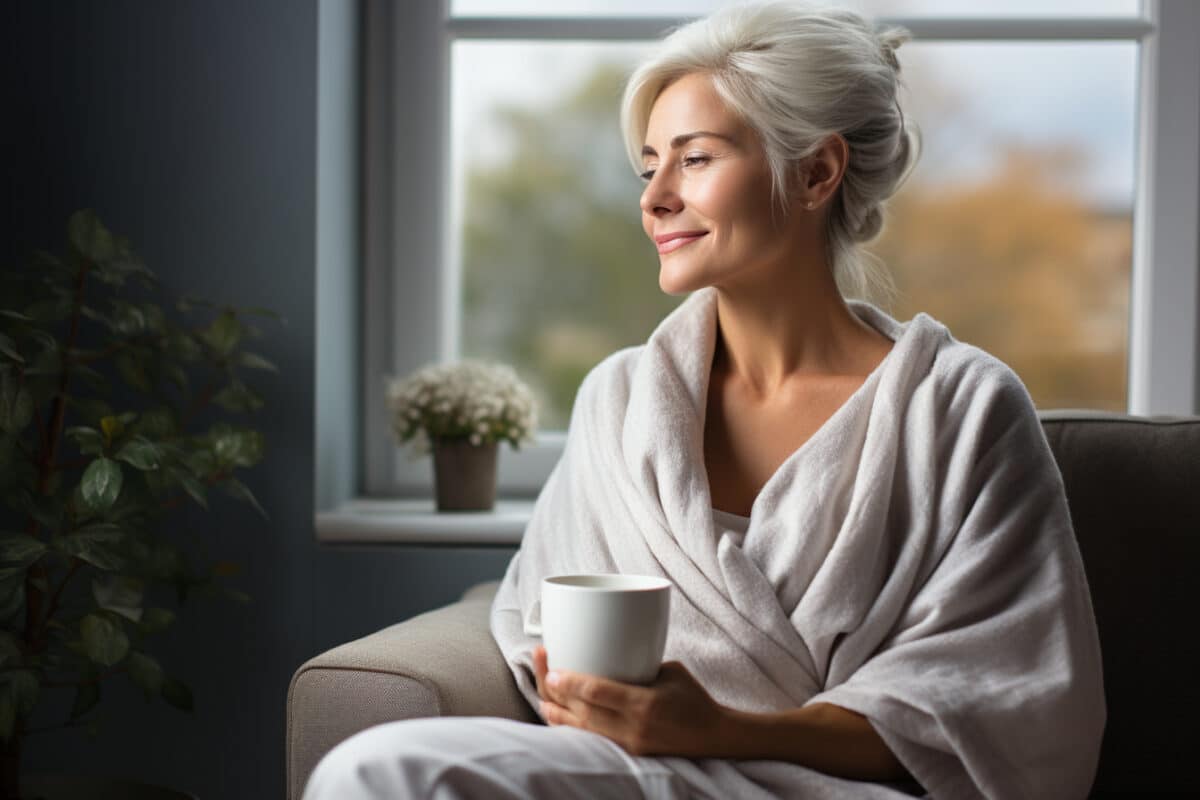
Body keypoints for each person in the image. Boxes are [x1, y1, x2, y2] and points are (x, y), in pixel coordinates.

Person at [303, 2, 1105, 798]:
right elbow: (542, 633)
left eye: (695, 160)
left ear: (818, 171)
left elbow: (1003, 711)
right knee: (376, 770)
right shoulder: (620, 400)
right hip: (642, 777)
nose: (653, 199)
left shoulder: (960, 409)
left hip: (845, 790)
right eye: (648, 165)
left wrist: (724, 731)